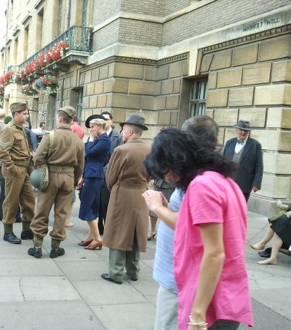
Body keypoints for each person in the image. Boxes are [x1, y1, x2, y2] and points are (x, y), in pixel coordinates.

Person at [144, 127, 253, 330]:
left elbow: (215, 253)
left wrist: (198, 314)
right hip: (226, 288)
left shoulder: (201, 185)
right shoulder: (222, 180)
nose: (166, 177)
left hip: (203, 291)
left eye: (167, 169)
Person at [143, 115, 220, 330]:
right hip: (176, 276)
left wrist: (157, 208)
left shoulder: (201, 182)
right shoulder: (198, 175)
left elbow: (211, 247)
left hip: (180, 280)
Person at [28, 106, 84, 258]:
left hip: (50, 177)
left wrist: (42, 169)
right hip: (69, 178)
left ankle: (37, 246)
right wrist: (72, 181)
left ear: (59, 119)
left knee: (42, 210)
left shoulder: (50, 136)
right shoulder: (78, 141)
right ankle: (55, 247)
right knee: (62, 213)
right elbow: (80, 166)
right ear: (71, 121)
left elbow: (37, 158)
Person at [101, 114, 150, 284]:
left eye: (123, 130)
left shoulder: (121, 150)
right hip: (142, 193)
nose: (121, 132)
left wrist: (114, 189)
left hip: (123, 193)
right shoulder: (149, 149)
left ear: (130, 131)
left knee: (118, 231)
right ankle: (134, 271)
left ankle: (115, 272)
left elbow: (110, 177)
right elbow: (154, 174)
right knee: (136, 232)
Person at [0, 101, 35, 244]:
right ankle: (8, 231)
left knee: (29, 200)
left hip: (25, 169)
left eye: (27, 113)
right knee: (11, 202)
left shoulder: (21, 128)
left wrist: (30, 155)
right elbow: (3, 153)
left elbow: (20, 149)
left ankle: (26, 230)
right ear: (16, 114)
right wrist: (13, 169)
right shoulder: (9, 129)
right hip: (14, 170)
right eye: (24, 114)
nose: (27, 116)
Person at [77, 115, 110, 250]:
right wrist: (83, 176)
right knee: (93, 207)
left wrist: (90, 139)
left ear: (99, 126)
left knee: (88, 205)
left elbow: (89, 153)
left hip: (95, 176)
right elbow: (88, 157)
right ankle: (91, 236)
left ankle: (97, 238)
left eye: (92, 127)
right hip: (91, 174)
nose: (90, 129)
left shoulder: (104, 140)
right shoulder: (99, 139)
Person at [223, 120, 263, 201]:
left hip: (244, 183)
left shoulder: (255, 145)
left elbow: (259, 166)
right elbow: (222, 161)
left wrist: (256, 183)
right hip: (228, 181)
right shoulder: (229, 142)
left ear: (248, 131)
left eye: (245, 130)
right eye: (241, 130)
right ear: (236, 130)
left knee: (241, 207)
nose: (243, 132)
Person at [98, 111, 123, 235]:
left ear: (111, 121)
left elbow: (116, 157)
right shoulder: (96, 135)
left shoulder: (118, 137)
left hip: (110, 174)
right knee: (96, 201)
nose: (105, 121)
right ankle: (98, 227)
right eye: (102, 119)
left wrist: (105, 170)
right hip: (96, 174)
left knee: (106, 202)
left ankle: (108, 226)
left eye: (107, 119)